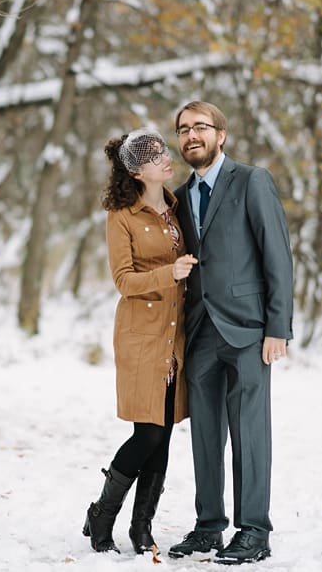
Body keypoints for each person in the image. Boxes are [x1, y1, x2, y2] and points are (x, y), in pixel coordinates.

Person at [166, 101, 294, 565]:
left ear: (222, 135)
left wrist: (277, 327)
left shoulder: (252, 180)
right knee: (205, 435)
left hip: (249, 331)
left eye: (201, 127)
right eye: (183, 129)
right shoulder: (179, 196)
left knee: (250, 433)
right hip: (200, 332)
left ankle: (255, 531)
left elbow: (277, 255)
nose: (191, 135)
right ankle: (208, 527)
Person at [83, 128, 199, 555]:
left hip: (176, 334)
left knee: (164, 434)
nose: (165, 159)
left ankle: (141, 528)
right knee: (147, 434)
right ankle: (102, 514)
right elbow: (123, 280)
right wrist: (167, 274)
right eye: (153, 157)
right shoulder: (122, 216)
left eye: (163, 151)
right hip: (140, 334)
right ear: (135, 170)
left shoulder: (176, 208)